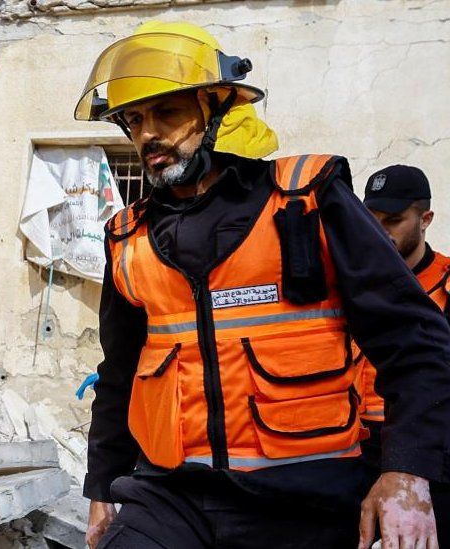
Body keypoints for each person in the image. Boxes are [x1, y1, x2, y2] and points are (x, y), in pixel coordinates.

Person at [76, 21, 450, 549]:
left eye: (167, 111)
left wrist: (407, 471)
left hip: (310, 496)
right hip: (173, 496)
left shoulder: (307, 201)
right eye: (133, 120)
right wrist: (100, 487)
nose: (147, 133)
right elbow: (118, 374)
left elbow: (415, 342)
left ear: (216, 109)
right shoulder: (126, 236)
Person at [359, 164, 450, 545]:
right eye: (371, 220)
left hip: (431, 450)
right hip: (354, 448)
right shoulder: (350, 285)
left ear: (425, 218)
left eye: (394, 220)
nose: (380, 233)